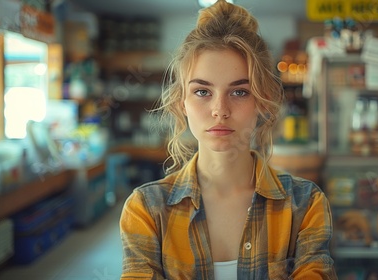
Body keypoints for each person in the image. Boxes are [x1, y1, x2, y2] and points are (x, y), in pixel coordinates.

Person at [119, 0, 337, 279]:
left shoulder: (305, 205)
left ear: (262, 101)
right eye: (202, 92)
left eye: (239, 92)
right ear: (181, 101)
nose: (219, 110)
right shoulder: (146, 209)